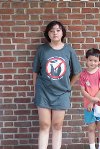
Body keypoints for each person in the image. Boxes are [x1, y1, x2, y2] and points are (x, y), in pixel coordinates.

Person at [32, 20, 82, 149]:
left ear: (62, 33)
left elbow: (77, 72)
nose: (55, 33)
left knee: (57, 125)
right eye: (52, 31)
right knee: (44, 125)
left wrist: (68, 87)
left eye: (58, 30)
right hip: (43, 91)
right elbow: (35, 72)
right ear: (47, 33)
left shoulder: (69, 50)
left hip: (61, 93)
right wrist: (35, 90)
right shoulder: (42, 50)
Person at [79, 48, 100, 149]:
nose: (93, 62)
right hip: (88, 105)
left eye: (95, 61)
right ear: (86, 60)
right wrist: (91, 102)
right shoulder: (83, 74)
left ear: (99, 62)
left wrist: (92, 102)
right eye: (90, 60)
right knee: (91, 128)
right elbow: (83, 90)